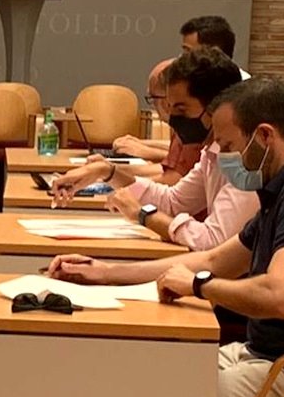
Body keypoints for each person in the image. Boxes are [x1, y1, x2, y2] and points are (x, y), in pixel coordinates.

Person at [48, 77, 284, 397]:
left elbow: (280, 295)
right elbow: (213, 260)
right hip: (274, 358)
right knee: (147, 369)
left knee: (147, 395)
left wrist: (198, 286)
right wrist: (105, 273)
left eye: (228, 145)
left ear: (264, 136)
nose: (223, 156)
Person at [51, 48, 256, 250]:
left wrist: (143, 215)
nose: (173, 119)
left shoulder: (247, 157)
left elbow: (212, 241)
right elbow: (174, 201)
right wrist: (107, 172)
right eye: (170, 107)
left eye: (181, 109)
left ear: (216, 106)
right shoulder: (212, 151)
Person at [179, 14, 251, 79]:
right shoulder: (183, 81)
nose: (181, 57)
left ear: (213, 52)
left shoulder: (244, 88)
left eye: (188, 51)